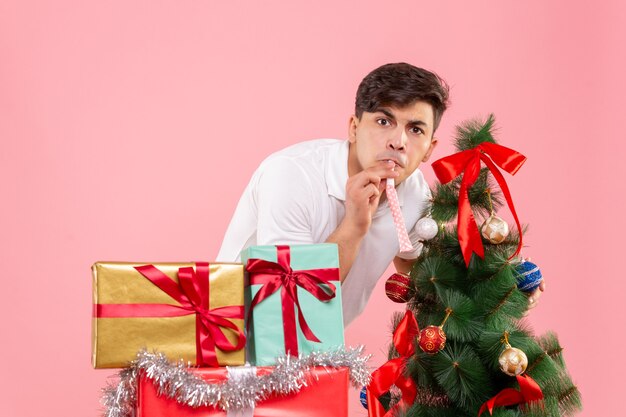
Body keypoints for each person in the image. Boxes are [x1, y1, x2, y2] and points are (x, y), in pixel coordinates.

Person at [217, 62, 543, 325]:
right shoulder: (291, 174)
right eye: (384, 120)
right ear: (354, 128)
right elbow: (289, 303)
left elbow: (425, 281)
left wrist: (502, 292)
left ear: (429, 149)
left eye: (415, 129)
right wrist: (354, 226)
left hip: (317, 351)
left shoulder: (413, 192)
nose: (398, 141)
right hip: (232, 335)